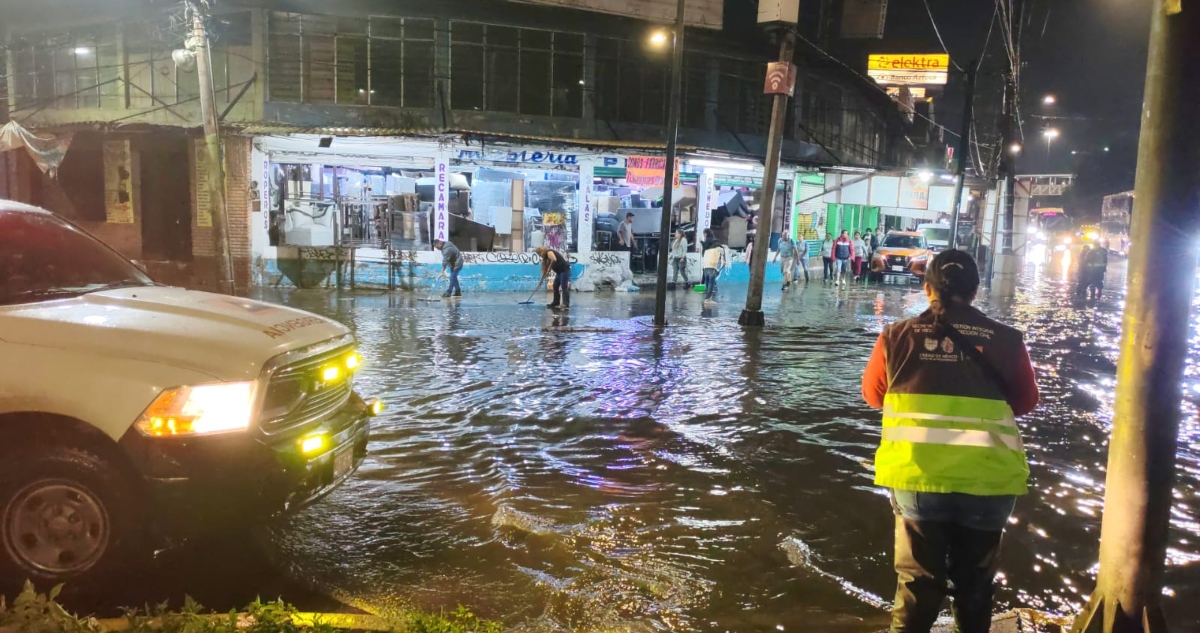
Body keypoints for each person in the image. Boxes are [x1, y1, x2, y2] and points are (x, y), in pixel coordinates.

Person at [861, 249, 1039, 633]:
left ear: (927, 289)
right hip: (988, 480)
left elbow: (874, 396)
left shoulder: (896, 336)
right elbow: (1026, 401)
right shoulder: (1006, 340)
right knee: (975, 585)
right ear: (975, 290)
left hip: (918, 476)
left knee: (917, 582)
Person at [536, 246, 571, 310]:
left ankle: (566, 305)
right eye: (539, 254)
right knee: (555, 286)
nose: (540, 255)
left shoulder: (549, 252)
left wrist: (549, 268)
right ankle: (556, 302)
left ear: (543, 251)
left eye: (540, 253)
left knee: (564, 287)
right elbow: (545, 272)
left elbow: (554, 259)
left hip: (564, 270)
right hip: (559, 272)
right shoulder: (545, 259)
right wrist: (541, 281)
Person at [701, 230, 726, 303]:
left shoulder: (706, 246)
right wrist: (724, 260)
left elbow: (703, 255)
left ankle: (707, 298)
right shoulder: (717, 244)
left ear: (706, 234)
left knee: (707, 282)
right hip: (712, 265)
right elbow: (722, 251)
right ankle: (708, 299)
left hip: (705, 265)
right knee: (711, 283)